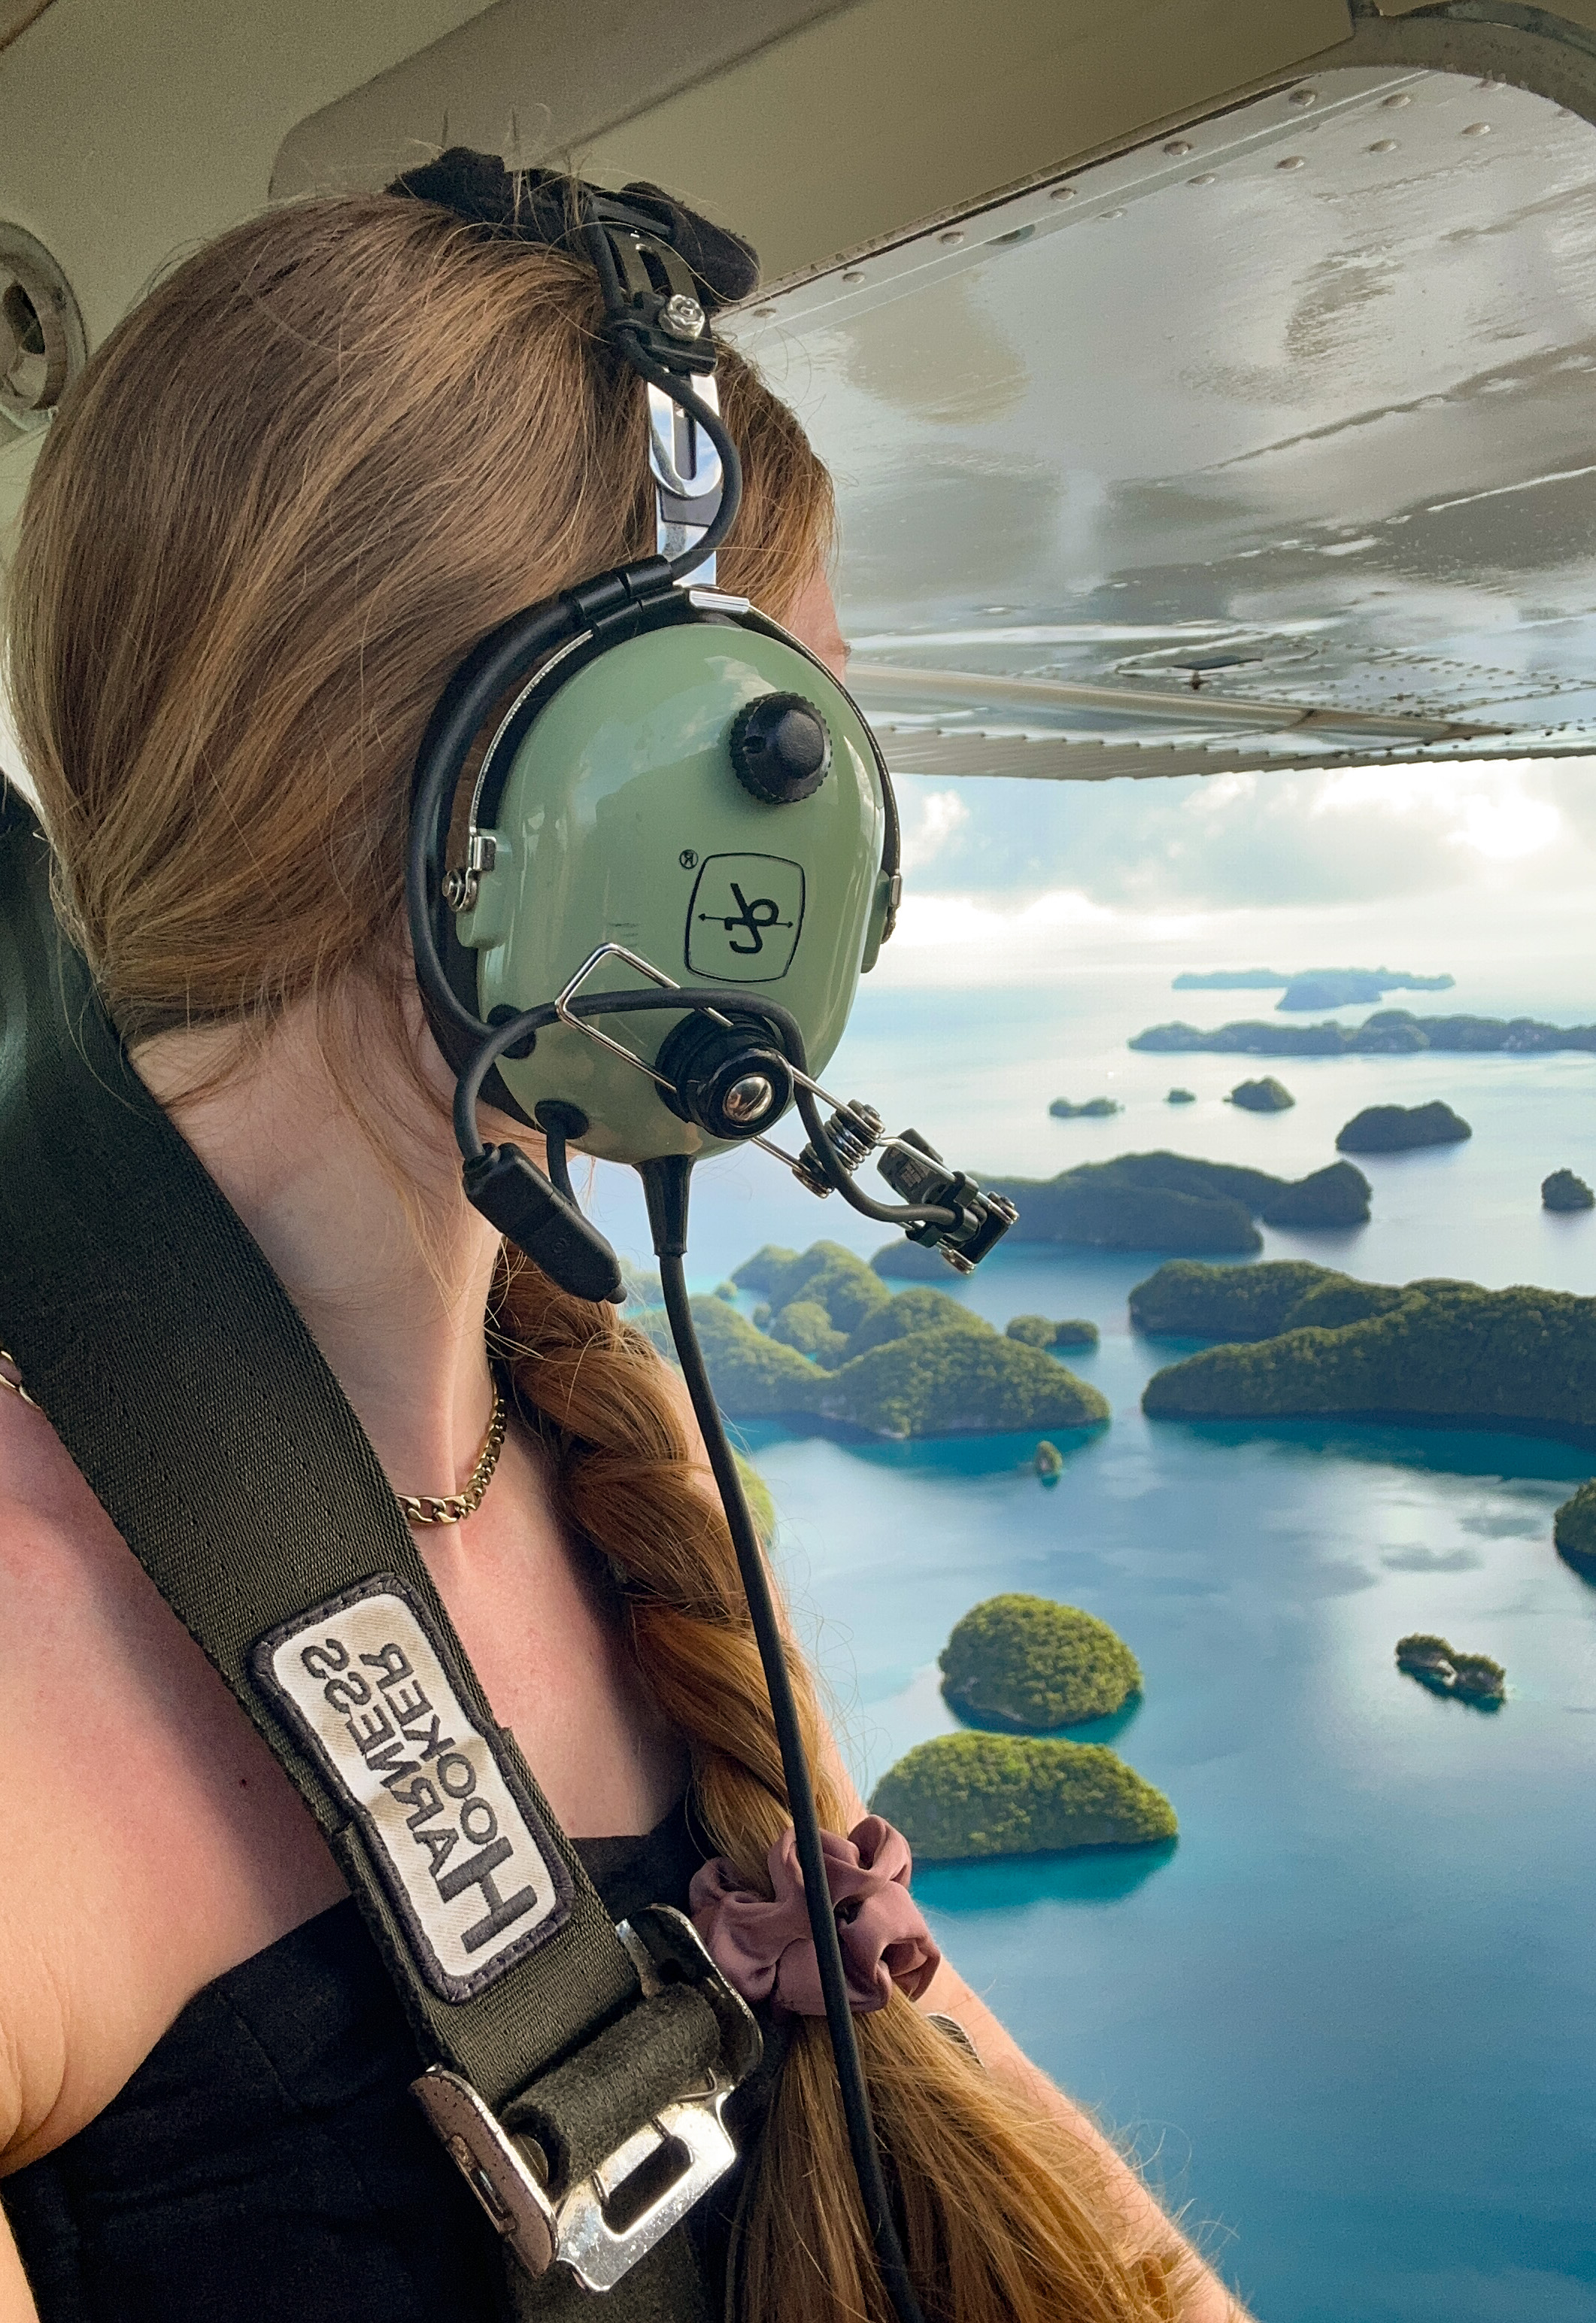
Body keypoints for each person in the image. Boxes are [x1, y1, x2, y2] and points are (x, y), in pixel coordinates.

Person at [0, 177, 1254, 2323]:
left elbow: (978, 2121)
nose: (858, 877)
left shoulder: (606, 1439)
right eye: (803, 749)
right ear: (589, 782)